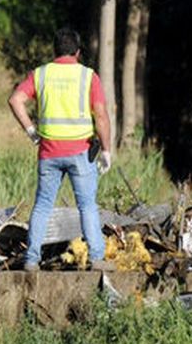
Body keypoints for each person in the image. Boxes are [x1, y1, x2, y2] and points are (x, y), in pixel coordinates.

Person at [8, 28, 113, 272]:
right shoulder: (88, 77)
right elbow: (101, 115)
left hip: (49, 152)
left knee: (43, 205)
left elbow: (15, 100)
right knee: (87, 205)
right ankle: (97, 259)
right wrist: (106, 149)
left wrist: (31, 131)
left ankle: (31, 259)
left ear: (55, 50)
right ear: (77, 51)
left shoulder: (40, 75)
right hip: (81, 152)